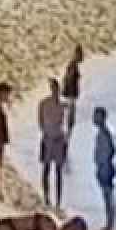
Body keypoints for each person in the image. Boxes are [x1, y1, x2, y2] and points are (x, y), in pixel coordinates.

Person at [36, 78, 67, 207]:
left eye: (57, 89)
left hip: (59, 138)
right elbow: (40, 122)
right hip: (48, 138)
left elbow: (67, 122)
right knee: (46, 168)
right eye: (53, 88)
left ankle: (58, 201)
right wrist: (47, 133)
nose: (55, 91)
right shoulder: (43, 103)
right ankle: (46, 198)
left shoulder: (63, 104)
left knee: (59, 171)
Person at [93, 107, 116, 230]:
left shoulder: (106, 132)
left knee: (108, 194)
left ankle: (110, 224)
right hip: (102, 165)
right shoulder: (102, 131)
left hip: (106, 166)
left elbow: (112, 149)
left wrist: (106, 163)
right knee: (106, 194)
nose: (93, 118)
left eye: (96, 116)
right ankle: (109, 223)